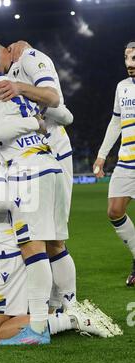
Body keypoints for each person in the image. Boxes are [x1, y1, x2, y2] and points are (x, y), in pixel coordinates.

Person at [0, 95, 122, 343]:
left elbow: (3, 200)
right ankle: (62, 313)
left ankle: (72, 318)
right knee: (3, 322)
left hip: (6, 257)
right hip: (3, 254)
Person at [0, 33, 76, 312]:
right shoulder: (12, 85)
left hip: (29, 169)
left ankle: (38, 321)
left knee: (32, 245)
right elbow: (65, 115)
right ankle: (69, 309)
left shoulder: (19, 68)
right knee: (56, 244)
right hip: (49, 162)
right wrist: (33, 121)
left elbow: (54, 97)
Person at [93, 41, 135, 286]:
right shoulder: (122, 88)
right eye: (127, 57)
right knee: (114, 211)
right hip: (126, 161)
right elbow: (115, 123)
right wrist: (101, 155)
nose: (130, 63)